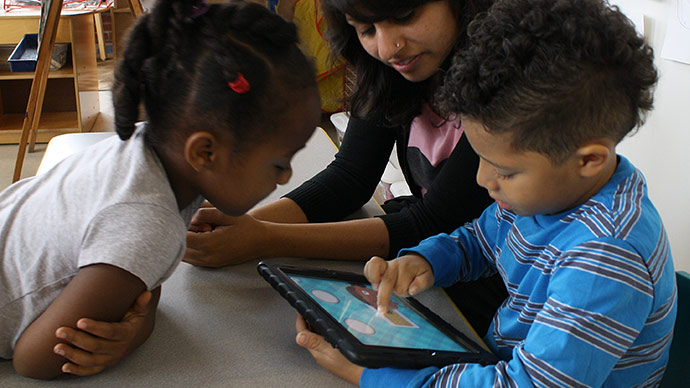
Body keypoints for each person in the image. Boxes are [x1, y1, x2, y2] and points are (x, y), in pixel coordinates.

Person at [295, 0, 677, 386]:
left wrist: (375, 378)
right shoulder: (553, 190)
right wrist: (426, 261)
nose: (482, 178)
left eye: (505, 170)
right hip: (502, 357)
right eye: (480, 157)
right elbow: (480, 239)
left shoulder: (605, 258)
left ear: (589, 159)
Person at [0, 0, 320, 379]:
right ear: (204, 152)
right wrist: (137, 329)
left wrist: (138, 297)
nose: (285, 179)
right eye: (280, 163)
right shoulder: (149, 224)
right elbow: (35, 359)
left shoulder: (137, 144)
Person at [185, 0, 507, 337]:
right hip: (431, 261)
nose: (387, 48)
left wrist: (262, 238)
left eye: (404, 15)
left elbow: (431, 223)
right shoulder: (395, 67)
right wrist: (245, 223)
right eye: (366, 29)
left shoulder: (508, 87)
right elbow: (352, 176)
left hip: (496, 289)